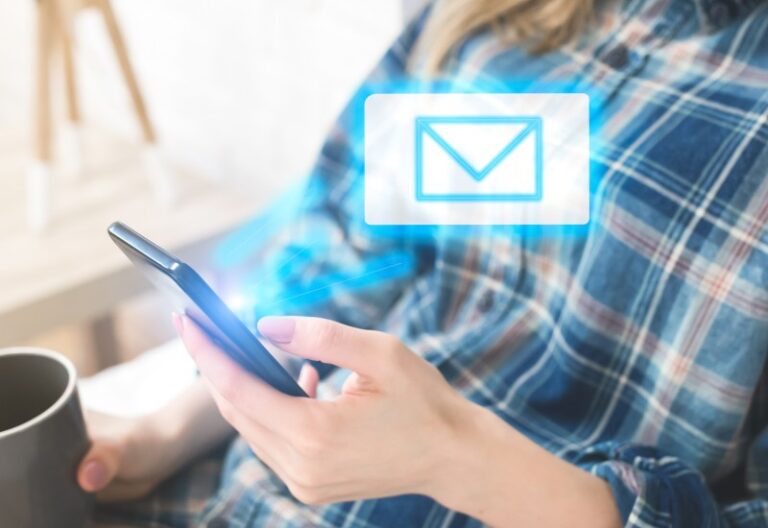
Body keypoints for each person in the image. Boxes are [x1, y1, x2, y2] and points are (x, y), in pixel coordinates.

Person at [77, 0, 768, 526]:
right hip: (243, 496)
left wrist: (452, 456)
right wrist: (167, 433)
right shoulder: (484, 18)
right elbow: (344, 259)